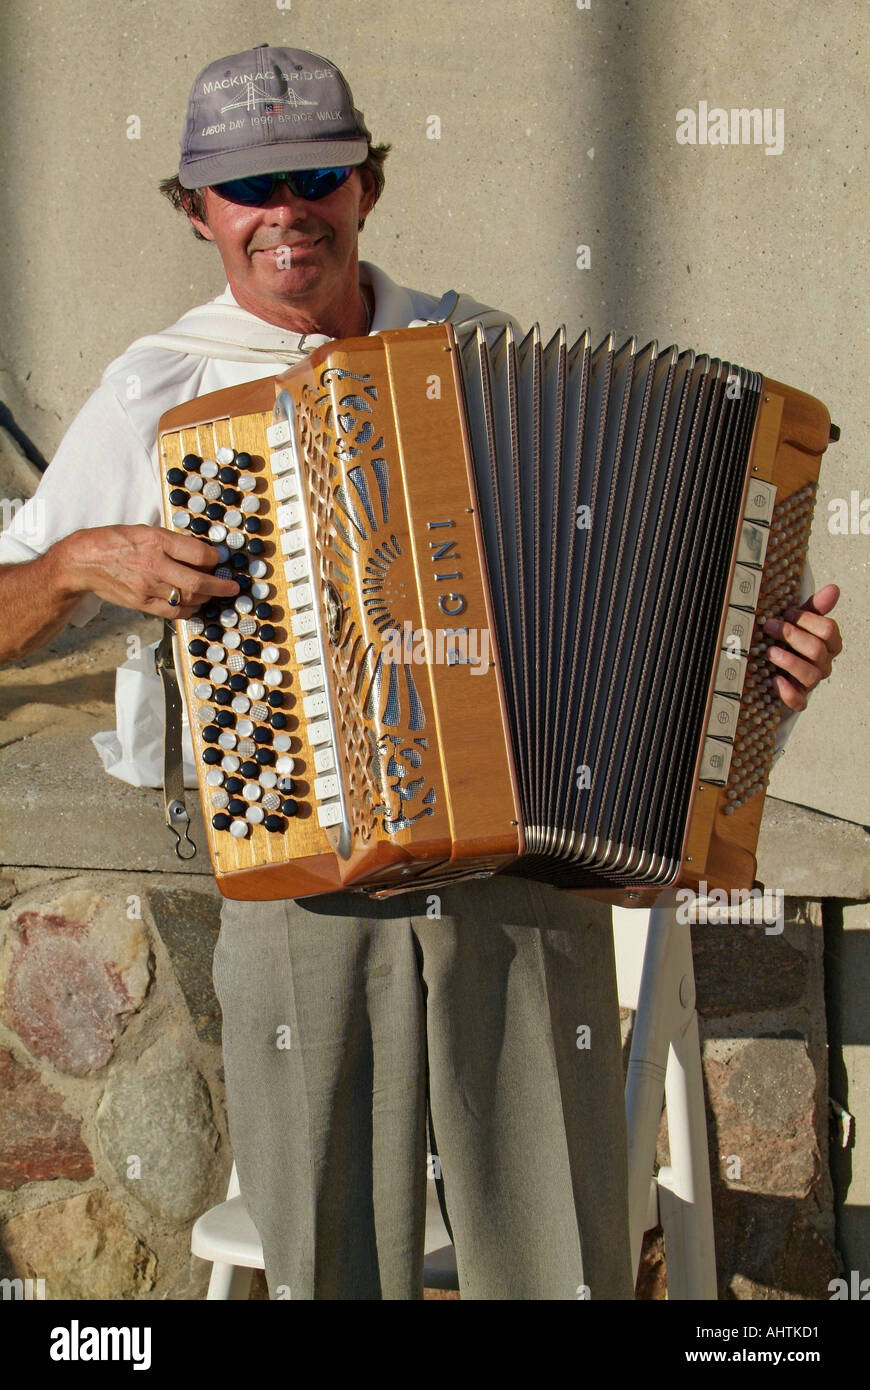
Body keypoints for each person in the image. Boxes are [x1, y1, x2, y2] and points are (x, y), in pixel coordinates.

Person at [0, 44, 843, 1300]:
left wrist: (756, 682)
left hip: (522, 879)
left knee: (559, 1265)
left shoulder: (477, 350)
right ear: (197, 213)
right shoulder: (161, 391)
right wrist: (73, 560)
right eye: (247, 186)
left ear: (365, 188)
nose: (287, 207)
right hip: (302, 891)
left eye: (317, 173)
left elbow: (644, 624)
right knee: (334, 1264)